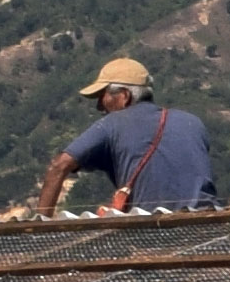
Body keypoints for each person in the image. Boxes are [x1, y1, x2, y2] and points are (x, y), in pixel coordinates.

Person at [34, 56, 214, 218]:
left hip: (155, 229)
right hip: (209, 222)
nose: (99, 106)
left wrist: (40, 228)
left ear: (124, 96)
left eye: (101, 97)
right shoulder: (193, 122)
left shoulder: (113, 123)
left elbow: (59, 166)